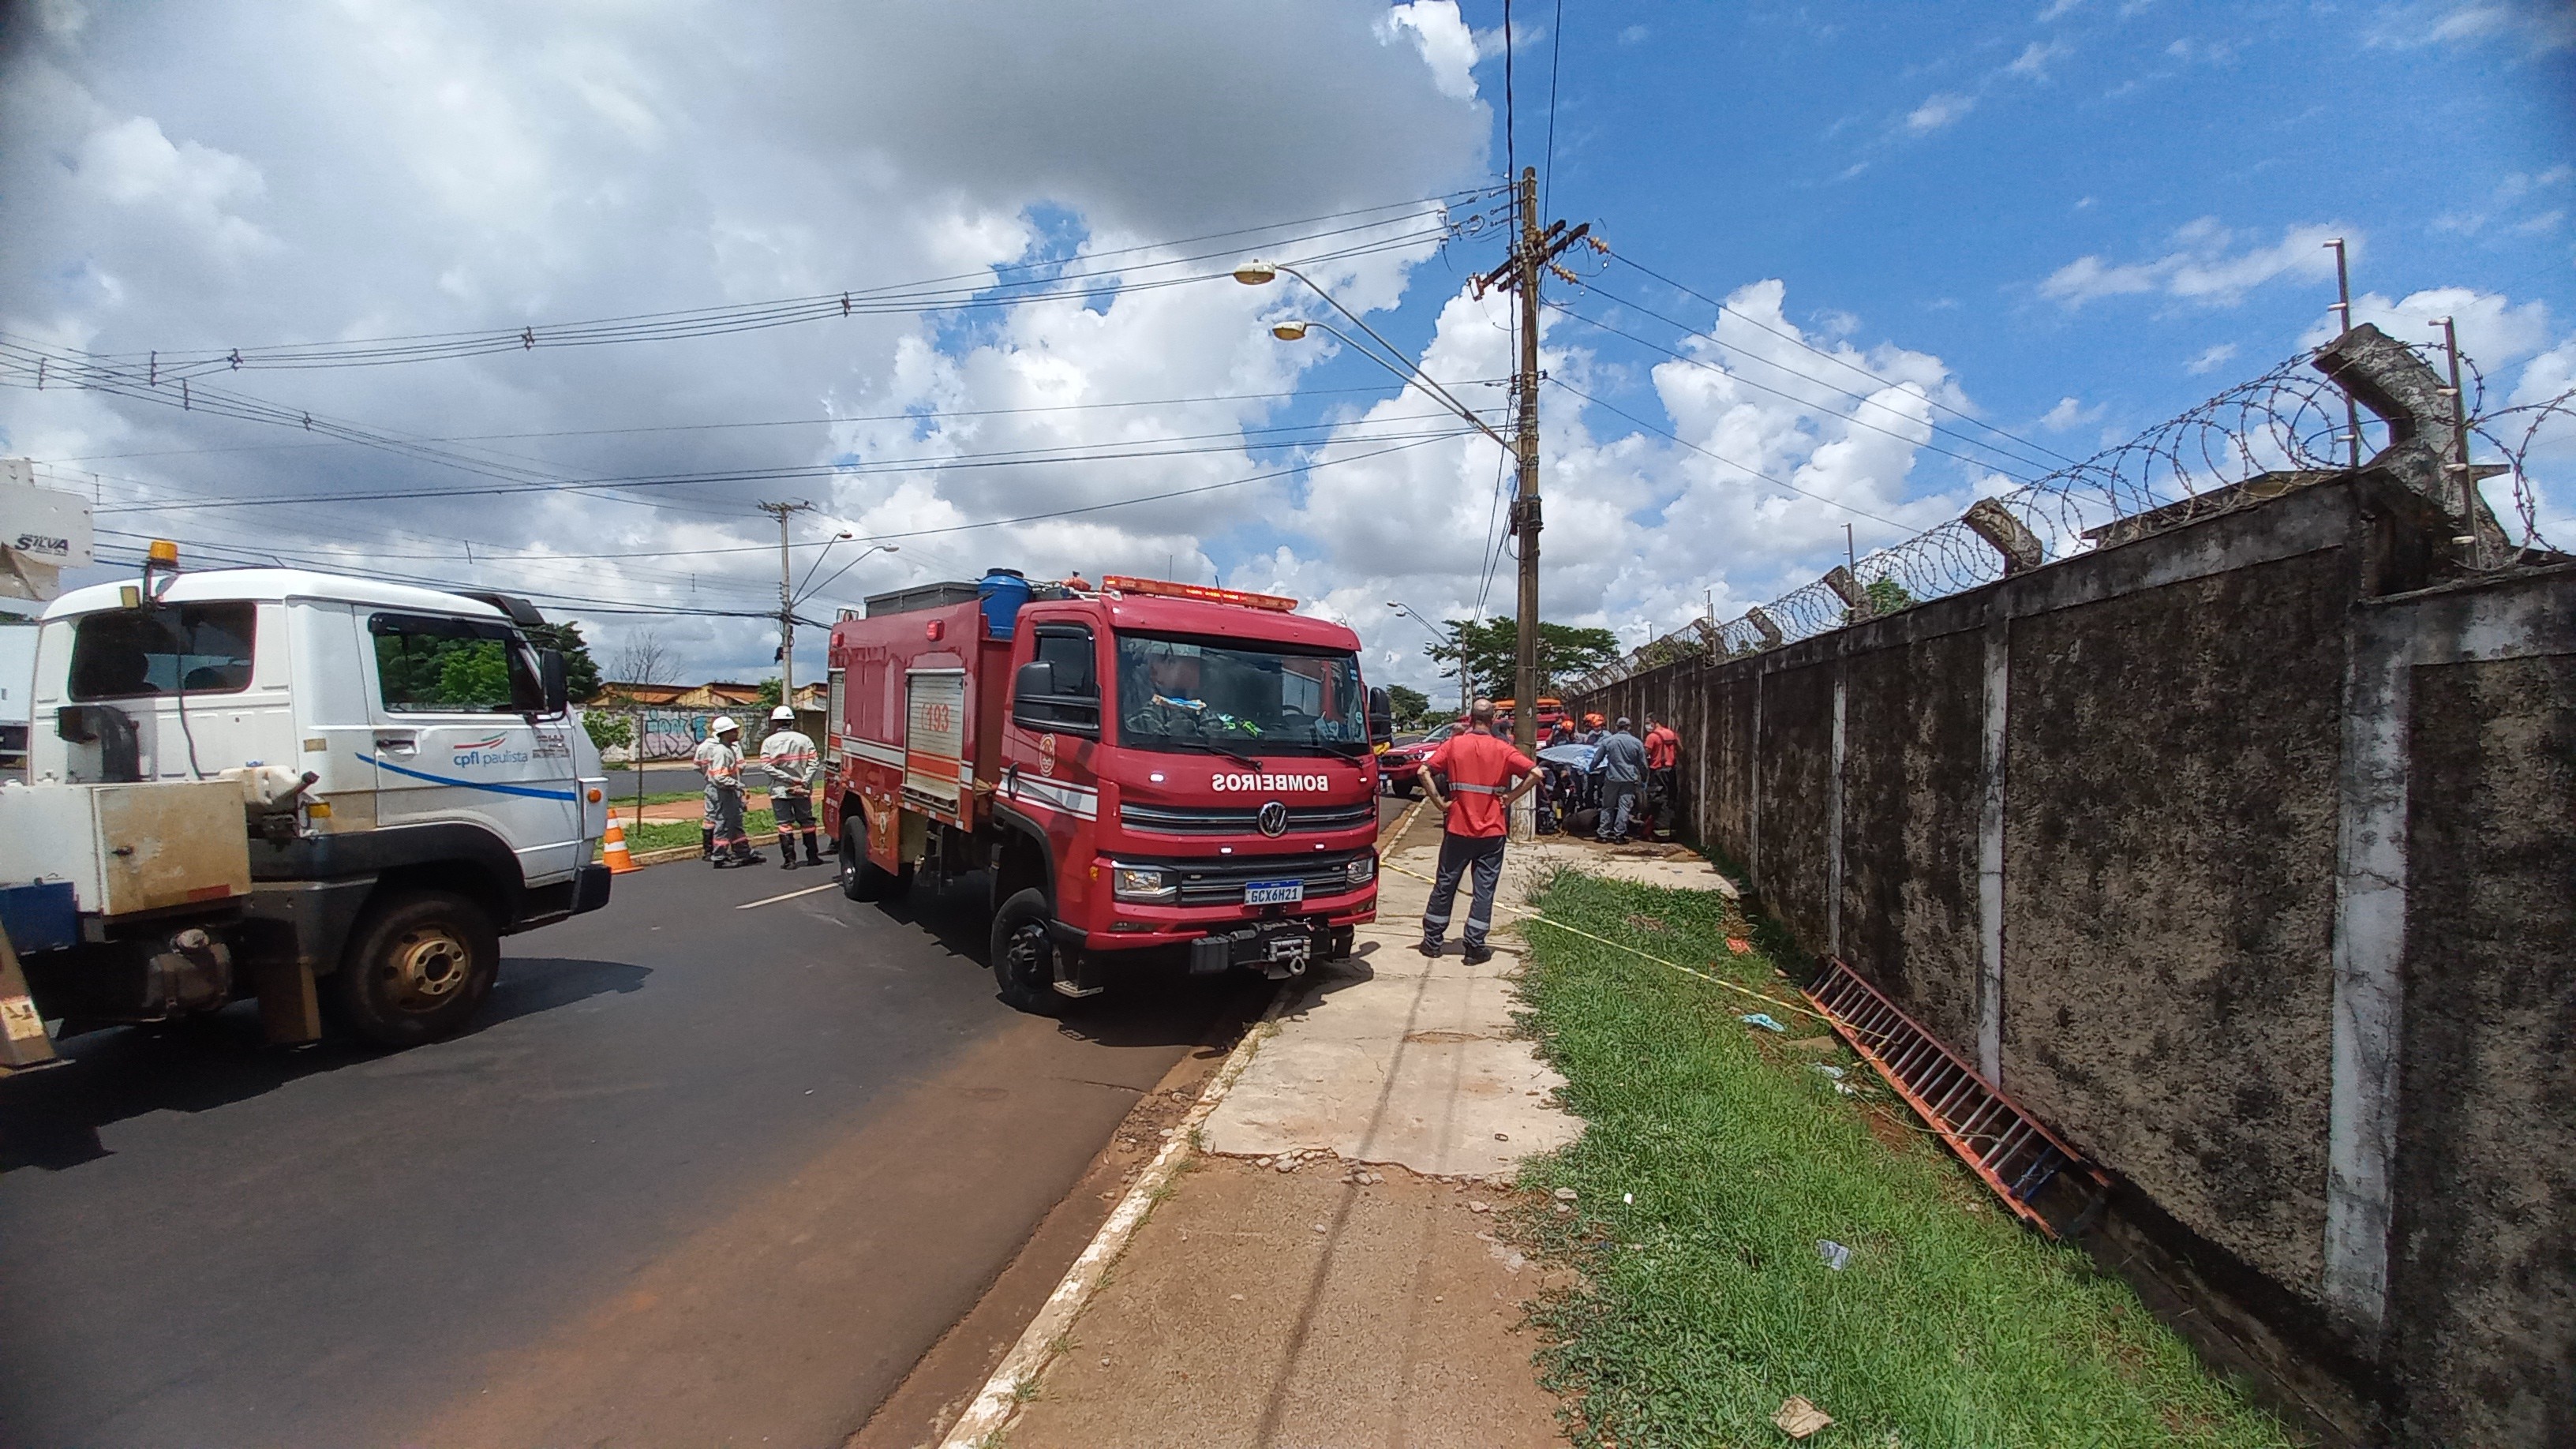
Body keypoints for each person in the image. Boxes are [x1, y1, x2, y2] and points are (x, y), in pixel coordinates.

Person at [1417, 698, 1537, 965]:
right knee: (1484, 890)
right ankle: (1474, 946)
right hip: (1492, 830)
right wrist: (1511, 797)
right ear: (1493, 718)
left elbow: (1423, 771)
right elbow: (1536, 773)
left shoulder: (1453, 745)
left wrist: (1439, 803)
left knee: (1446, 883)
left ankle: (1433, 942)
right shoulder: (1503, 749)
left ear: (1470, 718)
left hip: (1458, 827)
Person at [760, 705, 822, 871]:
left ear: (776, 723)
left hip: (780, 791)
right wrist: (804, 781)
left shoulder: (768, 742)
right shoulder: (805, 739)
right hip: (802, 790)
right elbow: (814, 762)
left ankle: (790, 861)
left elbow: (766, 767)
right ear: (791, 722)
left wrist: (788, 780)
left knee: (784, 824)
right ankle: (813, 857)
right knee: (807, 823)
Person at [702, 716, 762, 867]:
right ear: (725, 733)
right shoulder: (721, 751)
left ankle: (744, 852)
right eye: (733, 730)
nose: (736, 733)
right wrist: (738, 785)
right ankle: (719, 857)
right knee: (724, 824)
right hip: (724, 792)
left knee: (735, 823)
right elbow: (720, 777)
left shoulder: (728, 749)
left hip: (729, 792)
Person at [1594, 717, 1649, 844]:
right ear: (1629, 727)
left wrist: (1590, 768)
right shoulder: (1636, 743)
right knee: (1624, 807)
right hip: (1629, 779)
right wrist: (1644, 778)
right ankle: (1620, 835)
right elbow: (1643, 764)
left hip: (1612, 778)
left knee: (1608, 806)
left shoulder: (1609, 741)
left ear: (1616, 727)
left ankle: (1603, 834)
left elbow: (1597, 758)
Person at [1643, 712, 1681, 838]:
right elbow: (1680, 748)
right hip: (1671, 770)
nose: (1647, 726)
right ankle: (1671, 828)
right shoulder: (1671, 733)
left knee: (1658, 800)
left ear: (1655, 722)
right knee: (1670, 798)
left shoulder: (1652, 736)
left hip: (1658, 770)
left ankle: (1661, 832)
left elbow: (1645, 753)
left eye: (1648, 723)